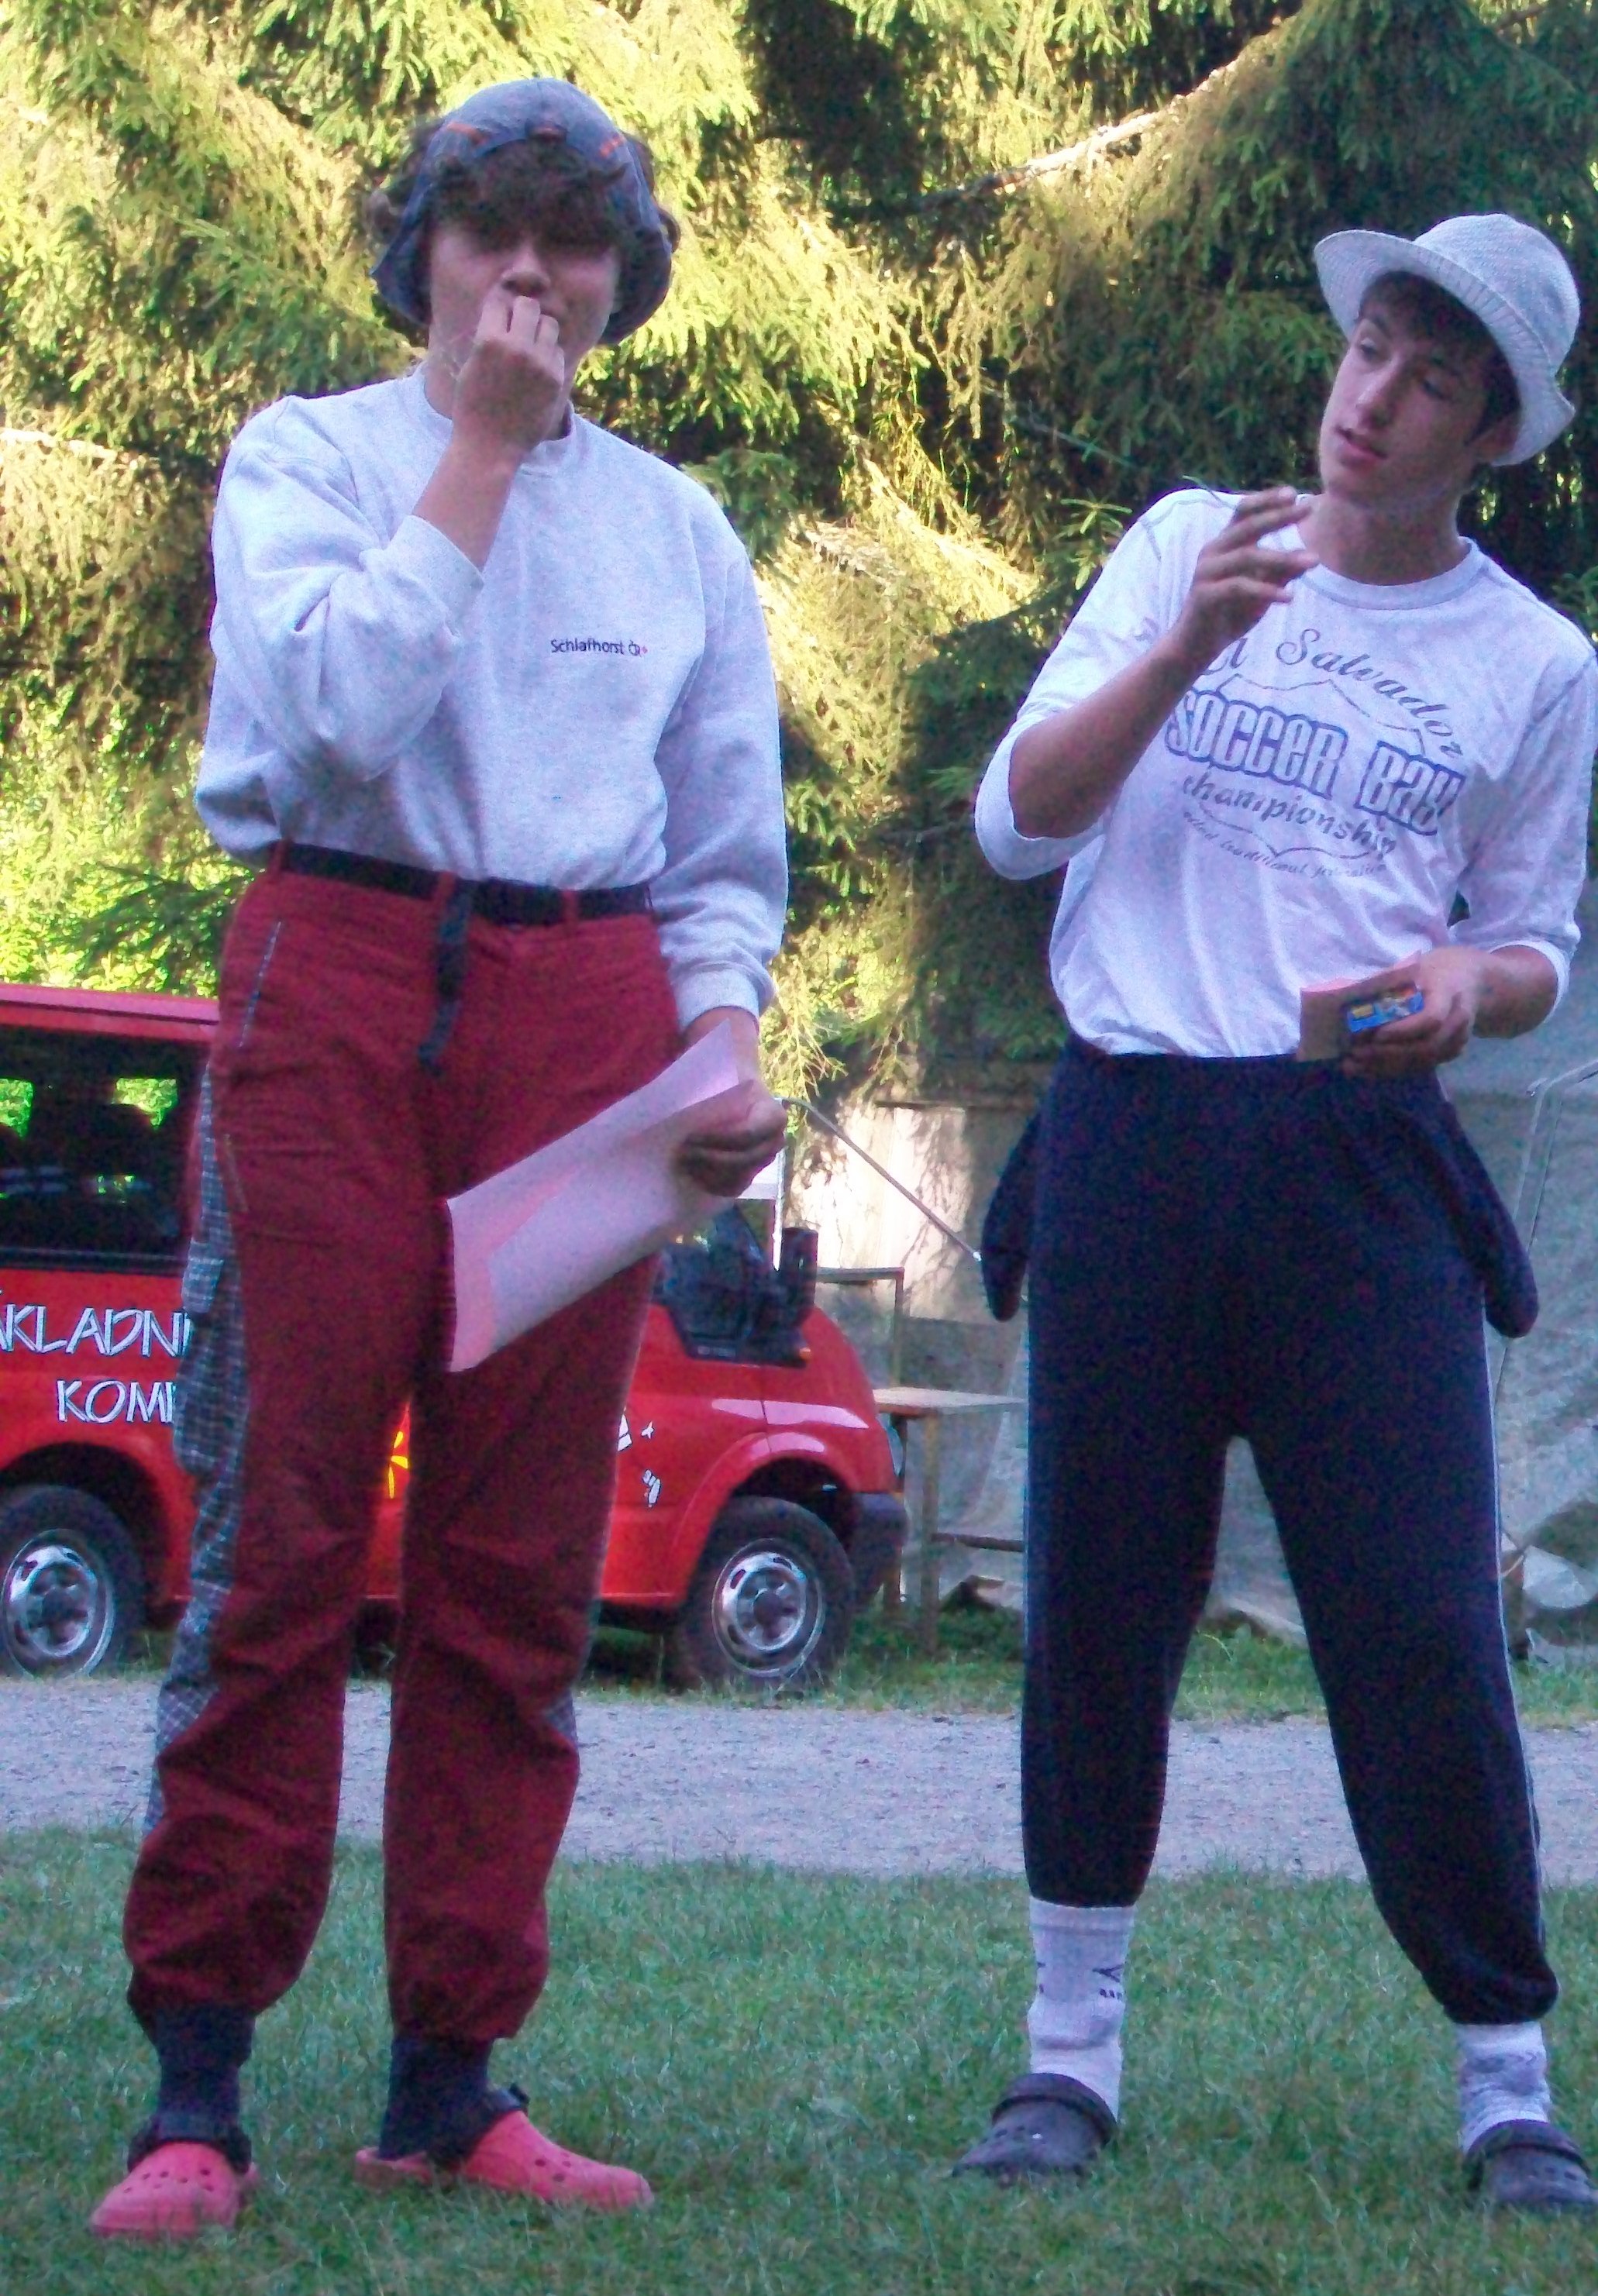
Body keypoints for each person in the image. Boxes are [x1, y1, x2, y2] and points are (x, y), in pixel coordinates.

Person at [91, 78, 787, 2240]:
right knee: (283, 1539)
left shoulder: (677, 529)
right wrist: (476, 453)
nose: (533, 281)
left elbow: (720, 848)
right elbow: (326, 724)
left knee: (514, 1583)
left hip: (583, 1025)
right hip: (337, 969)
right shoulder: (310, 457)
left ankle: (450, 2078)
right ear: (424, 255)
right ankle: (197, 2082)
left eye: (574, 245)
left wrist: (720, 1042)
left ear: (624, 277)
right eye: (492, 234)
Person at [958, 214, 1598, 2214]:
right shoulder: (1189, 542)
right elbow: (1014, 822)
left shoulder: (1538, 664)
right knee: (1098, 1606)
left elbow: (1538, 943)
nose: (1371, 397)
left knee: (1419, 1619)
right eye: (1367, 348)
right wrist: (1185, 646)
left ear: (1487, 433)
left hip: (1357, 1159)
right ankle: (1067, 2058)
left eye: (1429, 377)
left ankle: (1508, 2084)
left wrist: (1475, 984)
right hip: (1134, 1132)